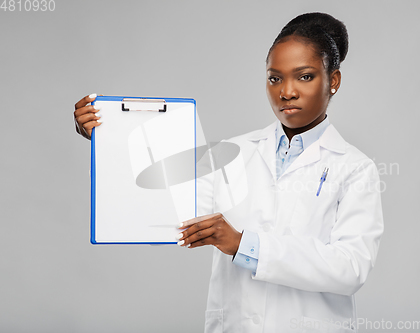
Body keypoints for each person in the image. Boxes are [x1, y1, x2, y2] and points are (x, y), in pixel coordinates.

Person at [74, 12, 383, 333]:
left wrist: (243, 245)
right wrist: (106, 140)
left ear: (333, 81)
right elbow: (164, 211)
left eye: (304, 76)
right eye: (274, 78)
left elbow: (350, 268)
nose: (286, 92)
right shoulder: (234, 152)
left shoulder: (355, 168)